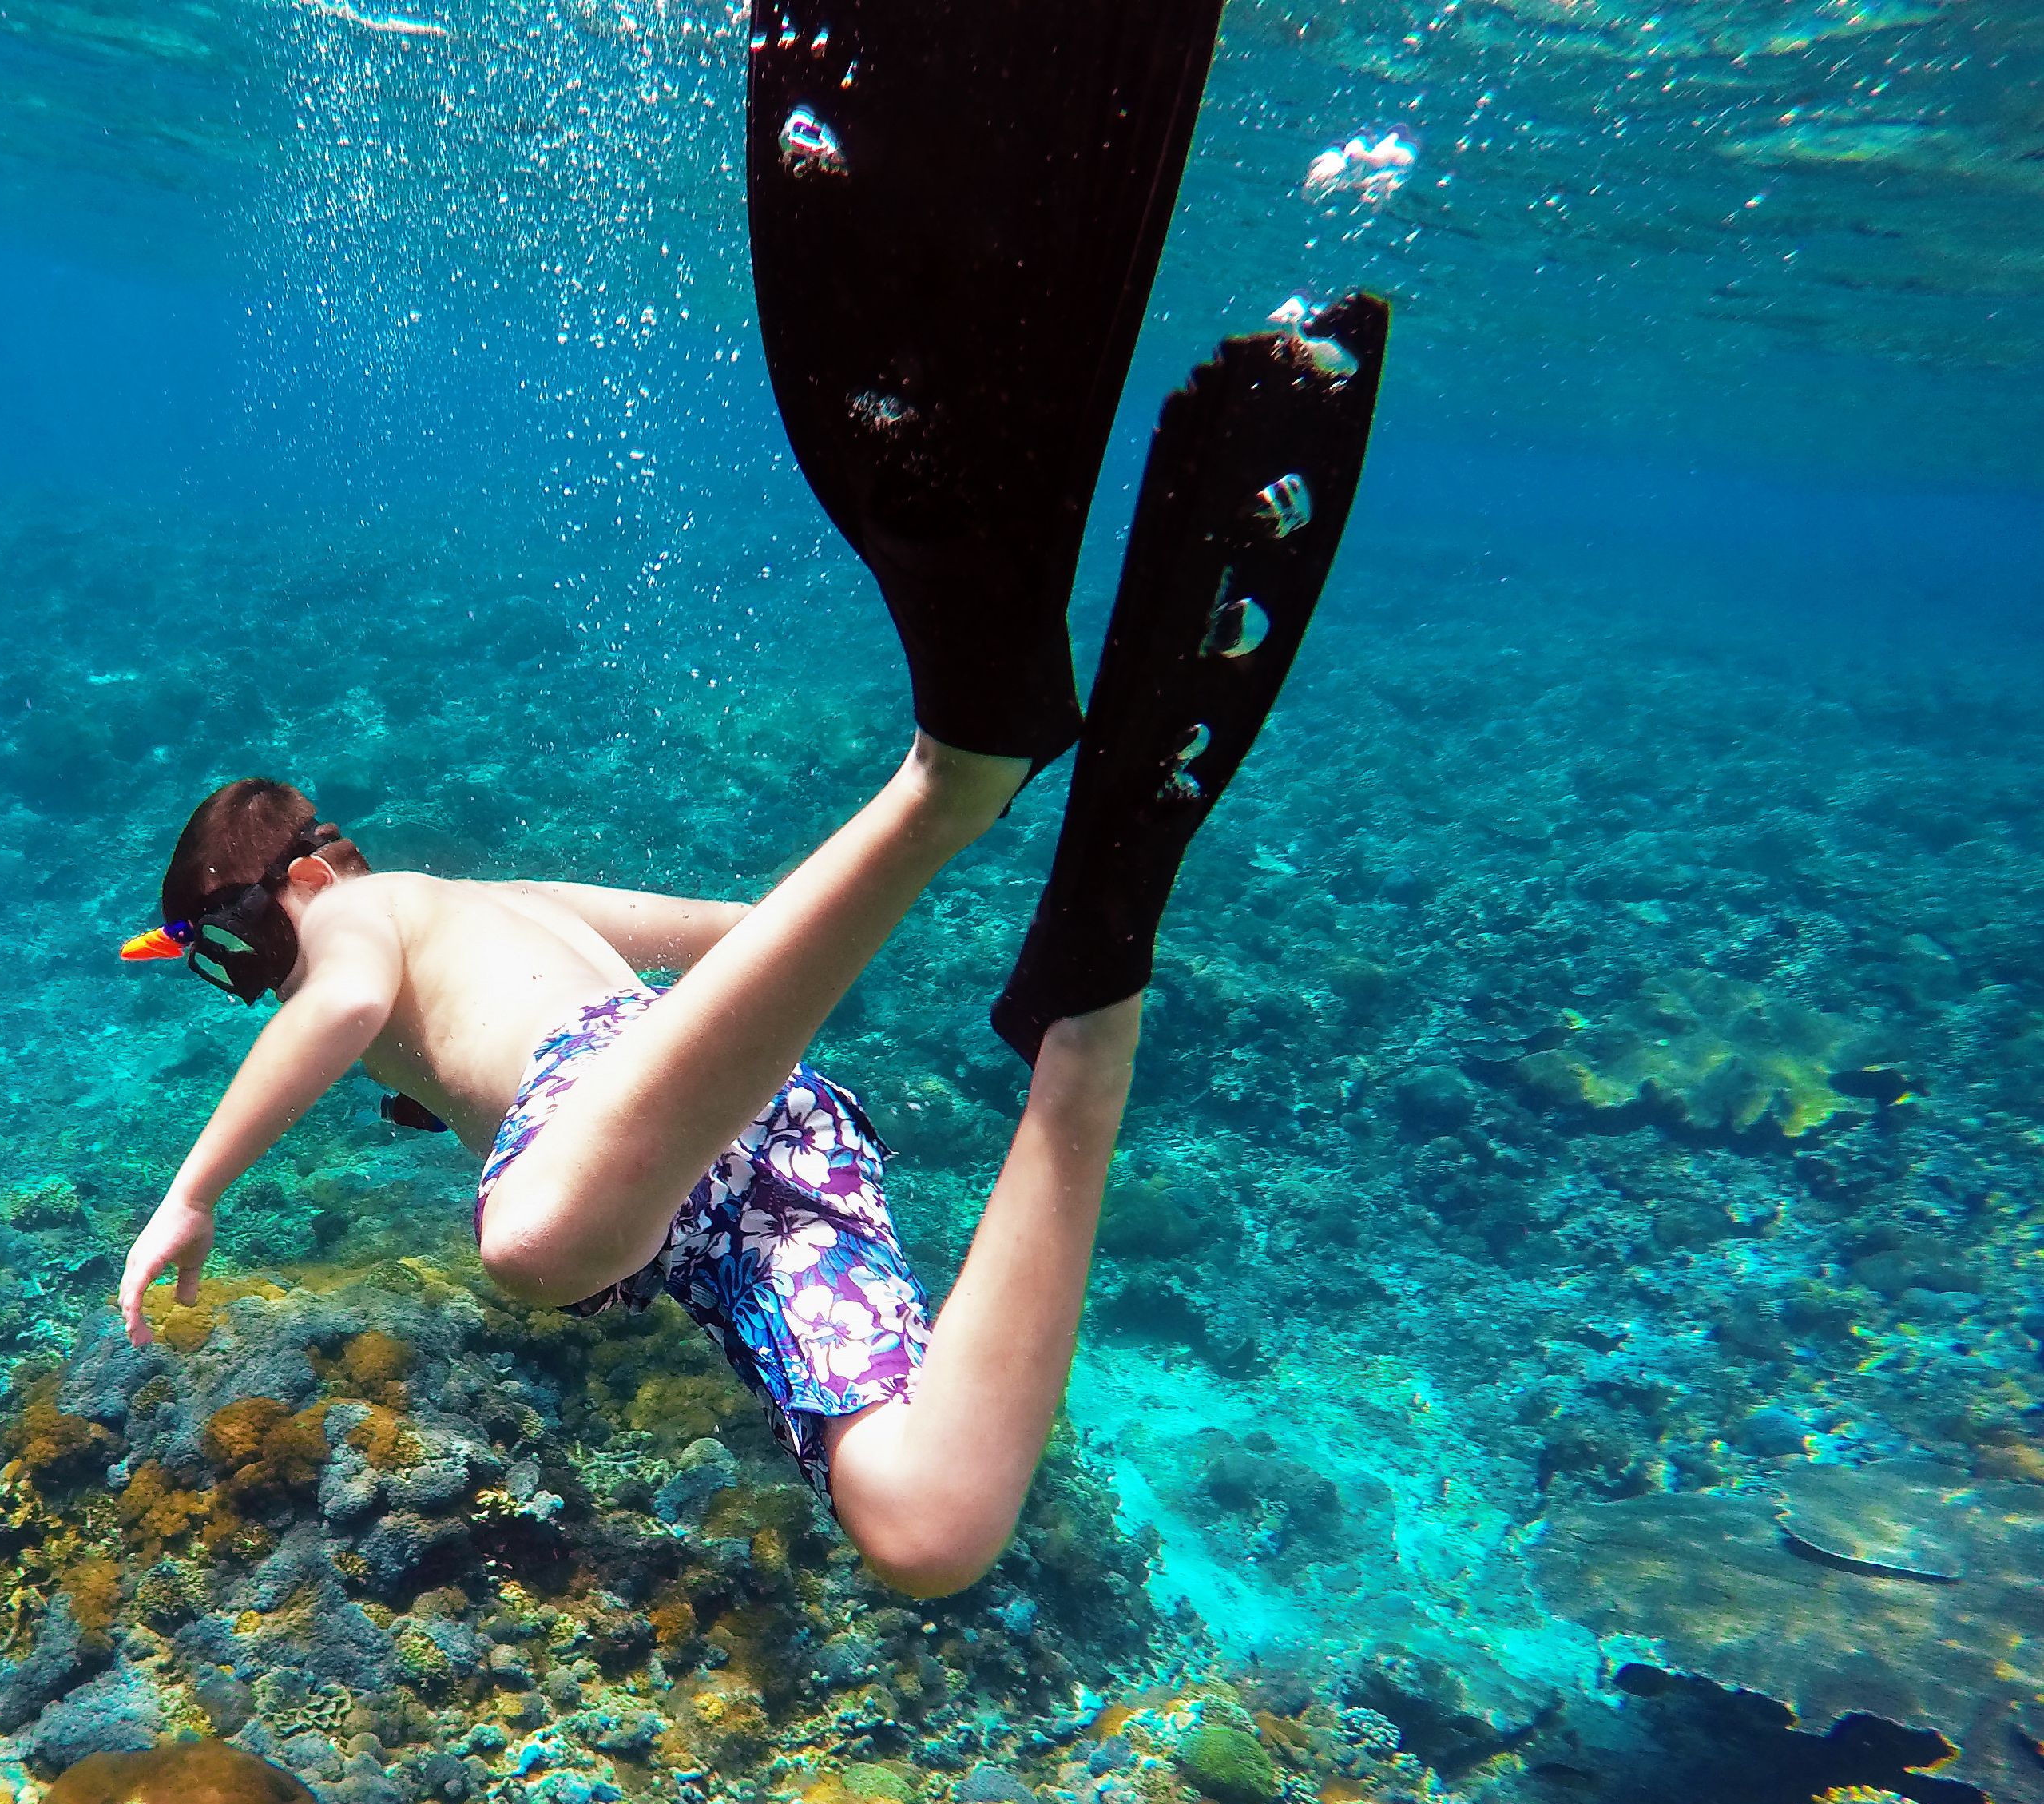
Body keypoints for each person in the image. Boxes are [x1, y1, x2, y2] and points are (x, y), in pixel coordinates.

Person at [113, 0, 1388, 1598]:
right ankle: (1091, 1014)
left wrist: (193, 1191)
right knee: (928, 1530)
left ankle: (955, 773)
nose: (263, 983)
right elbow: (744, 937)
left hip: (642, 1140)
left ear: (295, 877)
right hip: (737, 1161)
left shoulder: (364, 919)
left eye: (237, 942)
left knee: (526, 1247)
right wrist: (888, 919)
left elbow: (339, 1002)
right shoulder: (509, 906)